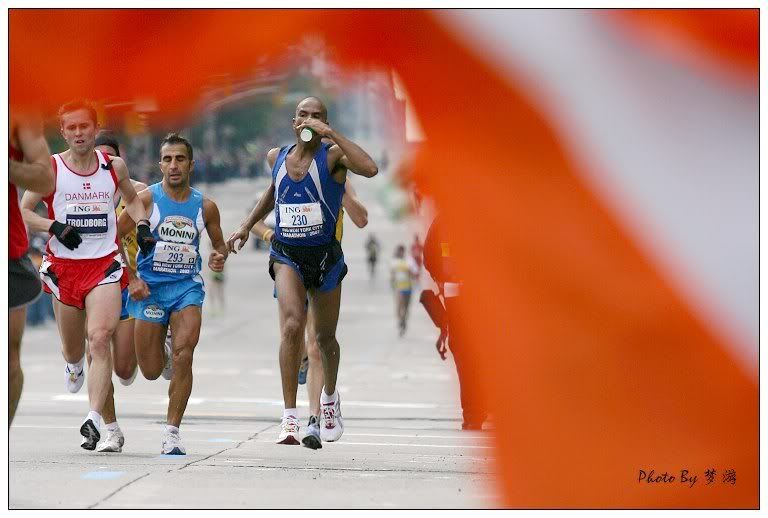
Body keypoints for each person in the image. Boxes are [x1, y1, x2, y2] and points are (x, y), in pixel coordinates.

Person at [227, 96, 377, 446]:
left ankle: (329, 399)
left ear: (325, 122)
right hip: (287, 255)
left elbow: (369, 168)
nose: (310, 121)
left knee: (324, 339)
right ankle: (289, 417)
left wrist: (332, 134)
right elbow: (272, 192)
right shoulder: (275, 157)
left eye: (318, 117)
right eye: (304, 115)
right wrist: (248, 225)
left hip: (325, 257)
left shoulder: (334, 157)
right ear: (295, 121)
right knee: (293, 325)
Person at [20, 100, 154, 448]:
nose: (79, 133)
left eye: (85, 126)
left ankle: (93, 419)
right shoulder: (49, 169)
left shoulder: (114, 166)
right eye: (72, 128)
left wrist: (141, 225)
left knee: (99, 339)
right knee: (73, 348)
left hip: (105, 265)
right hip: (64, 268)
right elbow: (23, 212)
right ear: (62, 131)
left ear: (96, 129)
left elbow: (134, 198)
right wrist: (54, 226)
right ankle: (73, 365)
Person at [120, 133, 228, 455]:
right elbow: (114, 237)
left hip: (186, 288)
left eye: (180, 159)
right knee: (152, 371)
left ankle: (172, 432)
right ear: (160, 165)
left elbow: (218, 244)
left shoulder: (205, 207)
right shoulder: (145, 200)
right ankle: (163, 349)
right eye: (167, 159)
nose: (173, 165)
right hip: (150, 290)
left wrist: (218, 256)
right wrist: (132, 277)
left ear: (191, 164)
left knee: (186, 354)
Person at [251, 177, 368, 448]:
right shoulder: (290, 173)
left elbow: (361, 219)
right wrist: (269, 234)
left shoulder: (338, 177)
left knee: (317, 345)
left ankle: (315, 418)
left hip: (323, 266)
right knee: (292, 333)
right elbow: (255, 220)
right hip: (290, 264)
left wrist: (338, 191)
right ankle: (290, 411)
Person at [84, 131, 147, 452]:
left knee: (123, 370)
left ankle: (156, 341)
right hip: (93, 278)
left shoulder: (137, 193)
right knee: (96, 347)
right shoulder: (78, 191)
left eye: (109, 158)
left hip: (129, 285)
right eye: (98, 157)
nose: (102, 164)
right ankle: (108, 429)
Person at [9, 111, 55, 427]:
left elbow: (45, 178)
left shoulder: (18, 116)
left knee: (9, 359)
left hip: (8, 255)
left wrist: (8, 166)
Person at [420, 215, 487, 430]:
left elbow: (429, 258)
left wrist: (442, 280)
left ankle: (472, 415)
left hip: (454, 293)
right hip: (487, 296)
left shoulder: (444, 219)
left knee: (464, 352)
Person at [390, 244, 416, 337]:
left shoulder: (409, 261)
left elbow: (414, 273)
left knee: (406, 308)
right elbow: (392, 274)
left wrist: (410, 272)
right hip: (399, 288)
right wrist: (392, 283)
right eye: (399, 251)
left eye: (402, 251)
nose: (401, 253)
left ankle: (404, 321)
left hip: (408, 288)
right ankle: (400, 321)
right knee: (399, 306)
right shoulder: (394, 261)